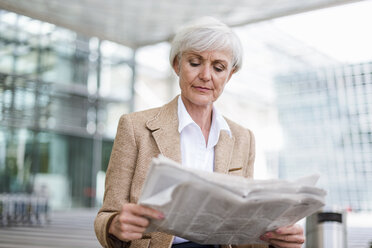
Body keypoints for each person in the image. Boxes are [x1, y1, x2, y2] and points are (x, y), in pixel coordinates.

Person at [94, 17, 305, 248]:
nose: (206, 75)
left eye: (218, 67)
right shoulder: (134, 127)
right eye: (195, 63)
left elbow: (243, 233)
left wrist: (275, 241)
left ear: (230, 75)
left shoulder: (243, 139)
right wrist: (115, 225)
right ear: (177, 65)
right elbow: (107, 215)